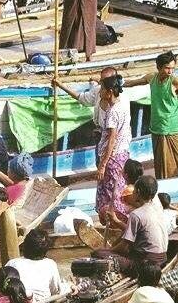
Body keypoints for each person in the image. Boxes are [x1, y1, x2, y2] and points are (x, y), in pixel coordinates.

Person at [53, 70, 130, 225]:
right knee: (111, 188)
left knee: (112, 190)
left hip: (112, 155)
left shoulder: (113, 111)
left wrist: (102, 165)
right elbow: (83, 98)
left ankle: (115, 223)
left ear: (109, 91)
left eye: (102, 87)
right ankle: (111, 222)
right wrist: (61, 85)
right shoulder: (109, 100)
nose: (99, 89)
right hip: (111, 152)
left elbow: (111, 141)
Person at [124, 51, 178, 179]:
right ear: (158, 67)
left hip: (172, 129)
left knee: (177, 162)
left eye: (172, 68)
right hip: (157, 128)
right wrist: (115, 82)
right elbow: (131, 83)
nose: (170, 71)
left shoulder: (175, 82)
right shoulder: (152, 78)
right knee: (160, 162)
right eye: (167, 68)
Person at [93, 175, 168, 276]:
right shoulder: (158, 210)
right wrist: (115, 220)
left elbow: (125, 247)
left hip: (145, 263)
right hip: (163, 258)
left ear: (138, 192)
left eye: (134, 191)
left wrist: (108, 250)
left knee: (98, 254)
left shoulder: (136, 214)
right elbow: (135, 233)